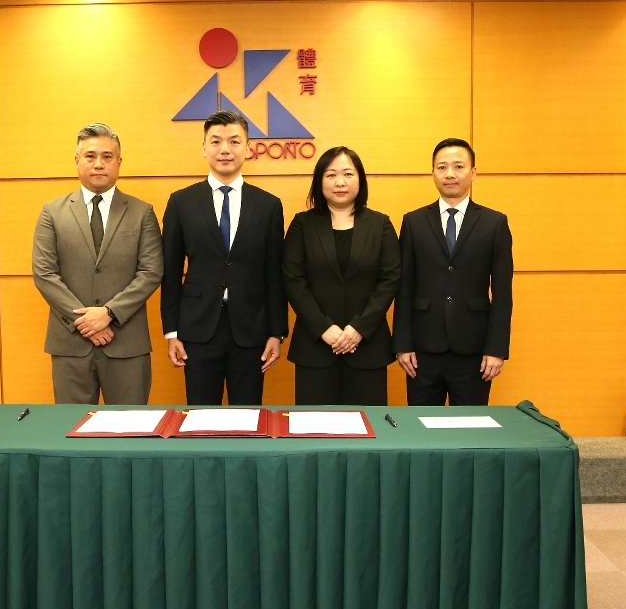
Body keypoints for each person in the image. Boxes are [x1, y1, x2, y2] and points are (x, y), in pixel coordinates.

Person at [161, 110, 288, 405]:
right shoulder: (181, 202)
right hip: (197, 328)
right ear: (204, 148)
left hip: (251, 329)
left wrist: (277, 332)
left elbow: (274, 274)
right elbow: (170, 271)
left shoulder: (269, 205)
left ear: (248, 148)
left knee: (248, 417)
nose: (225, 149)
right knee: (201, 418)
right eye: (216, 141)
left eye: (234, 141)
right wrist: (172, 332)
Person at [32, 123, 163, 404]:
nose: (99, 164)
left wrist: (110, 313)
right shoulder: (52, 212)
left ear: (119, 162)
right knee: (72, 425)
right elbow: (44, 274)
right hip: (71, 344)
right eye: (90, 156)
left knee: (130, 427)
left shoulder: (142, 212)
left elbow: (151, 272)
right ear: (77, 161)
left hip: (126, 344)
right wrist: (85, 321)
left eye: (107, 156)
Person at [393, 138, 513, 406]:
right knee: (421, 425)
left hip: (474, 350)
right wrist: (403, 345)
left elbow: (503, 292)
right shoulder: (413, 222)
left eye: (458, 166)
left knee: (470, 426)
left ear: (473, 172)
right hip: (422, 351)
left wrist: (496, 349)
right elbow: (405, 288)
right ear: (432, 173)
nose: (450, 174)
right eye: (442, 167)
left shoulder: (494, 223)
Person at [282, 146, 400, 405]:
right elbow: (293, 280)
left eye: (348, 174)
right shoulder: (303, 224)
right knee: (314, 425)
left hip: (367, 348)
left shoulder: (380, 224)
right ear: (319, 180)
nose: (340, 182)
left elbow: (390, 280)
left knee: (368, 424)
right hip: (315, 348)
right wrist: (323, 328)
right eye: (331, 174)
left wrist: (359, 328)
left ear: (360, 179)